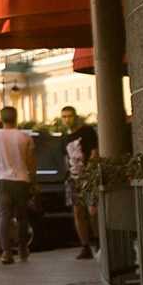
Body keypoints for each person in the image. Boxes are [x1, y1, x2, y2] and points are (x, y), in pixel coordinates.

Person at [0, 106, 35, 264]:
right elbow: (31, 163)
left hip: (1, 180)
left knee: (4, 216)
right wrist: (34, 182)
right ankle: (23, 250)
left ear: (1, 119)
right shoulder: (26, 137)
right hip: (22, 180)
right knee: (22, 217)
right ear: (16, 118)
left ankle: (6, 252)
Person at [59, 105, 99, 260]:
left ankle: (98, 239)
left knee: (93, 211)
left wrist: (87, 172)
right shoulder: (64, 137)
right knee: (78, 212)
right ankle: (85, 246)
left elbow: (94, 152)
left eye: (69, 116)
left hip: (88, 177)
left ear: (75, 116)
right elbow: (66, 157)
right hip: (73, 178)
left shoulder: (87, 131)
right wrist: (68, 173)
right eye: (64, 117)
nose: (66, 119)